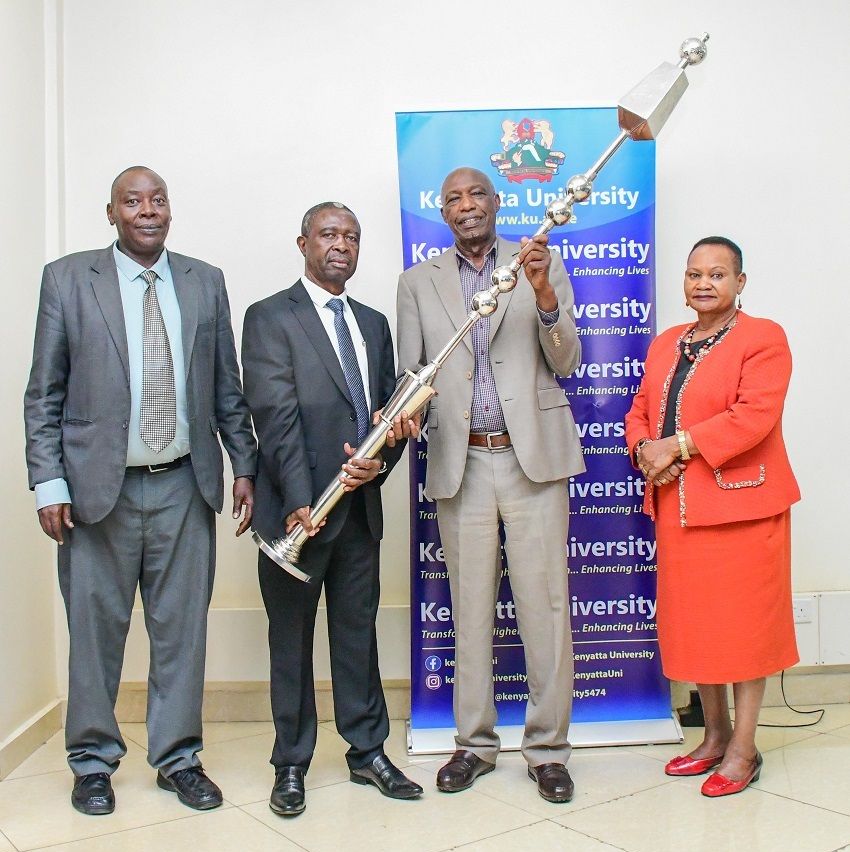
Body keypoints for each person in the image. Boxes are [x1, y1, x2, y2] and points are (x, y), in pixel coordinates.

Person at [24, 166, 257, 815]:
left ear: (169, 212)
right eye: (134, 201)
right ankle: (92, 762)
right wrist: (49, 483)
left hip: (185, 485)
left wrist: (243, 465)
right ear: (112, 213)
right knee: (95, 634)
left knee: (181, 631)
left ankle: (179, 757)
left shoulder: (204, 282)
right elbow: (42, 393)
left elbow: (227, 389)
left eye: (158, 200)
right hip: (98, 493)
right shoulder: (69, 280)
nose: (147, 210)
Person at [396, 167, 584, 803]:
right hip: (462, 462)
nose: (467, 205)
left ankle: (548, 750)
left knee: (545, 609)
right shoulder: (416, 283)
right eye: (453, 198)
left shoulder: (536, 262)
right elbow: (413, 374)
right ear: (442, 212)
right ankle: (474, 744)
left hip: (533, 461)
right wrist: (407, 411)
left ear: (497, 204)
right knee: (470, 609)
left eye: (477, 194)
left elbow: (567, 360)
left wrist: (544, 295)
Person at [241, 201, 422, 817]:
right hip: (295, 517)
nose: (340, 245)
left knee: (356, 637)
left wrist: (380, 464)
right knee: (289, 643)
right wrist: (300, 502)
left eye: (351, 236)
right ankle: (290, 762)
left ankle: (367, 751)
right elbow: (275, 417)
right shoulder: (269, 317)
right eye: (328, 235)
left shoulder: (372, 324)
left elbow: (385, 421)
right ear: (303, 243)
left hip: (358, 513)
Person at [625, 236, 800, 797]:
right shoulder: (666, 343)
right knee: (699, 630)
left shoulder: (763, 338)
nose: (704, 283)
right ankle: (714, 737)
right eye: (694, 273)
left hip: (742, 509)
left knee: (747, 632)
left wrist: (675, 447)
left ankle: (745, 750)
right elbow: (640, 412)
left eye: (718, 274)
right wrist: (644, 454)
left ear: (740, 283)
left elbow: (753, 417)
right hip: (679, 512)